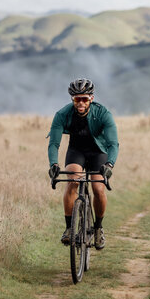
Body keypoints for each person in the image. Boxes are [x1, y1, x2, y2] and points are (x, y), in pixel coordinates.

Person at [48, 78, 119, 249]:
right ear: (72, 99)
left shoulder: (103, 113)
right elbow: (54, 143)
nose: (80, 102)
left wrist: (109, 165)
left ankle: (98, 229)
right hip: (76, 151)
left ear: (91, 99)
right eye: (77, 99)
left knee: (98, 187)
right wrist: (53, 165)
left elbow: (113, 144)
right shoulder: (62, 114)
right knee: (72, 181)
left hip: (98, 151)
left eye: (84, 99)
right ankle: (69, 229)